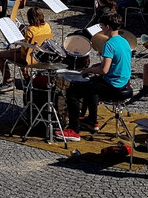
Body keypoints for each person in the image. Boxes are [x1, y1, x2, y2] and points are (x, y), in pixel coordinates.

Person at [55, 14, 133, 142]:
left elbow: (104, 70)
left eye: (102, 26)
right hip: (123, 82)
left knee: (73, 91)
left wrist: (90, 69)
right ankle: (92, 121)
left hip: (113, 85)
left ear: (107, 27)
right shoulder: (124, 41)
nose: (101, 29)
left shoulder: (110, 44)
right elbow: (116, 62)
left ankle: (73, 131)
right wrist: (96, 66)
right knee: (91, 84)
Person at [0, 7, 52, 93]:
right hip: (40, 56)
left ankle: (8, 81)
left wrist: (21, 38)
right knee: (18, 52)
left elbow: (24, 50)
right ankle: (26, 78)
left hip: (28, 58)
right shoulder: (47, 26)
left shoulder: (30, 30)